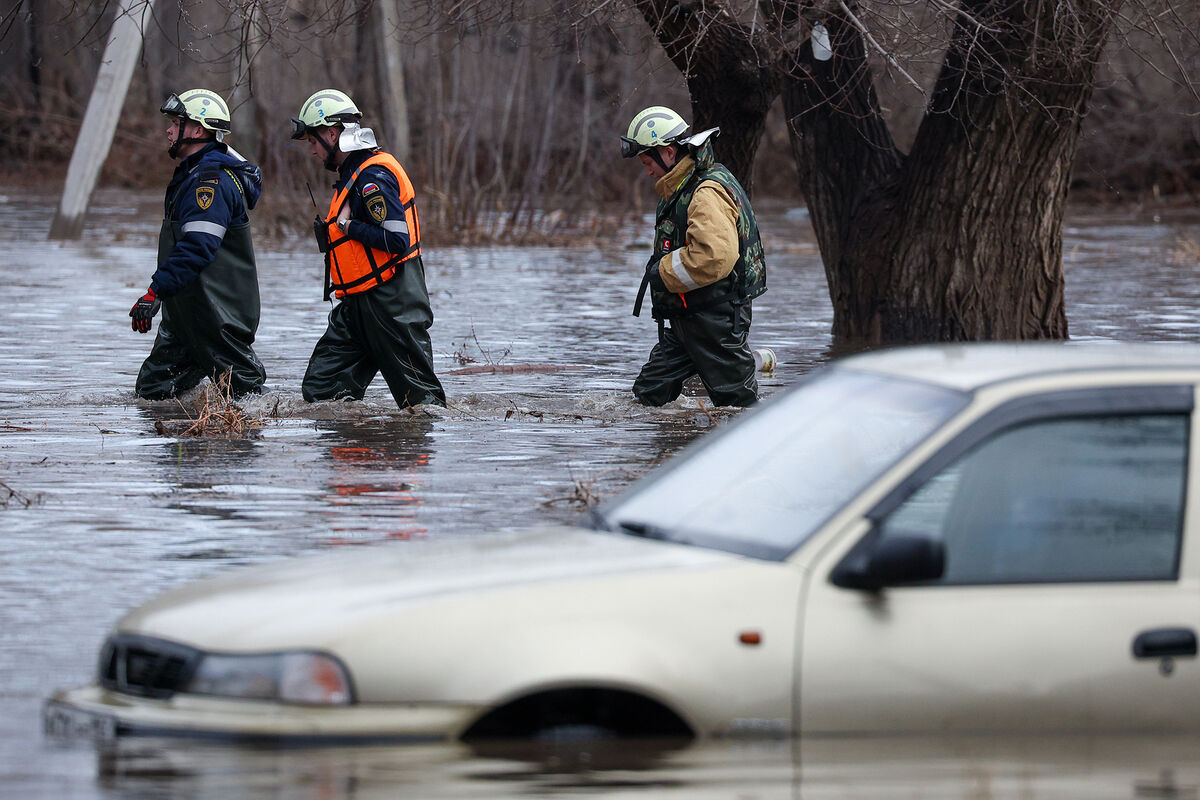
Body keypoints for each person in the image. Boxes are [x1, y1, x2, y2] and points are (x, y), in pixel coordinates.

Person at [290, 89, 446, 409]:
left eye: (313, 141)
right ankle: (358, 447)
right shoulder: (352, 176)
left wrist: (348, 227)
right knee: (322, 389)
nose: (313, 151)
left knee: (421, 402)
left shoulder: (373, 176)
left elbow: (396, 240)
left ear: (332, 133)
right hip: (357, 305)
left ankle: (414, 453)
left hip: (392, 300)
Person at [621, 105, 767, 407]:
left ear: (670, 152)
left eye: (648, 161)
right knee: (647, 397)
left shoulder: (705, 191)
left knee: (738, 408)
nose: (647, 171)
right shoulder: (683, 187)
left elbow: (714, 257)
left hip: (715, 321)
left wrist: (662, 273)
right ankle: (664, 451)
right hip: (687, 318)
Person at [130, 89, 267, 399]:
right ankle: (190, 440)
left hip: (216, 315)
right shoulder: (191, 177)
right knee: (153, 393)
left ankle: (254, 439)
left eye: (176, 123)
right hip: (186, 315)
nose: (167, 130)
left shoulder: (210, 183)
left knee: (248, 397)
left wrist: (155, 291)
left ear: (197, 129)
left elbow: (198, 247)